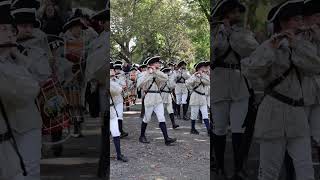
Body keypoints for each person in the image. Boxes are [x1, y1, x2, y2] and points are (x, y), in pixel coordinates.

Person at [241, 1, 320, 179]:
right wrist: (271, 49)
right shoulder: (269, 45)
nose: (301, 23)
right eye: (296, 19)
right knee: (269, 171)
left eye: (301, 19)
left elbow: (316, 66)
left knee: (306, 169)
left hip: (298, 114)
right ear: (283, 23)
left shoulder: (304, 45)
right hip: (273, 113)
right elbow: (250, 70)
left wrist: (296, 45)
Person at [211, 0, 259, 178]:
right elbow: (211, 53)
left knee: (239, 128)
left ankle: (239, 168)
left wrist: (232, 34)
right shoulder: (214, 31)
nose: (237, 16)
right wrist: (220, 35)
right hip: (219, 82)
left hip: (239, 82)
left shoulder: (244, 32)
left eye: (239, 12)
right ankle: (221, 166)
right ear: (226, 14)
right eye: (234, 12)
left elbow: (252, 49)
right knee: (220, 128)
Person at [0, 1, 47, 179]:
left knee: (28, 171)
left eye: (9, 29)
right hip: (5, 128)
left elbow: (37, 83)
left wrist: (18, 57)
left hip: (26, 123)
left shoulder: (29, 54)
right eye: (3, 29)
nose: (9, 34)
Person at [137, 56, 177, 145]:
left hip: (158, 97)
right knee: (147, 118)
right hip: (149, 97)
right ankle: (142, 136)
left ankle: (166, 139)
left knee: (161, 117)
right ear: (152, 64)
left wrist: (155, 72)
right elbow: (139, 84)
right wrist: (149, 74)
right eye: (157, 63)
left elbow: (165, 78)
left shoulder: (158, 72)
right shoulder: (144, 73)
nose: (159, 64)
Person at [185, 61, 210, 135]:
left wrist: (202, 76)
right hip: (195, 96)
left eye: (205, 67)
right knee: (194, 115)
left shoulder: (205, 75)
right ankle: (192, 129)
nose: (204, 68)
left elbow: (208, 82)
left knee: (205, 115)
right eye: (203, 67)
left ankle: (208, 130)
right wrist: (195, 76)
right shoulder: (194, 75)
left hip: (202, 97)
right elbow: (188, 83)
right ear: (199, 68)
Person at [110, 63, 128, 162]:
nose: (114, 71)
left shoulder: (114, 80)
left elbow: (120, 89)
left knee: (116, 132)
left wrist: (115, 79)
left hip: (112, 110)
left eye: (113, 70)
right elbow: (117, 89)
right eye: (112, 70)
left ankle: (119, 154)